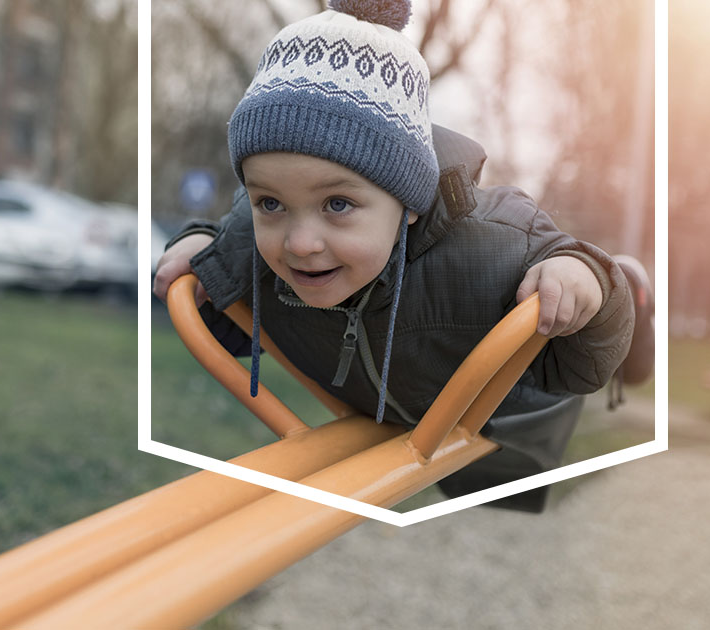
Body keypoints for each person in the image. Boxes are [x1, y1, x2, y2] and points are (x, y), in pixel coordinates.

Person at [153, 0, 654, 512]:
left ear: (409, 204)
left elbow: (581, 367)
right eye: (271, 202)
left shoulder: (497, 249)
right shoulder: (258, 248)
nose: (299, 242)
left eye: (338, 204)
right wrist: (199, 249)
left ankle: (630, 288)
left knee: (604, 312)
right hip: (414, 416)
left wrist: (585, 277)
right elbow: (229, 320)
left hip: (523, 407)